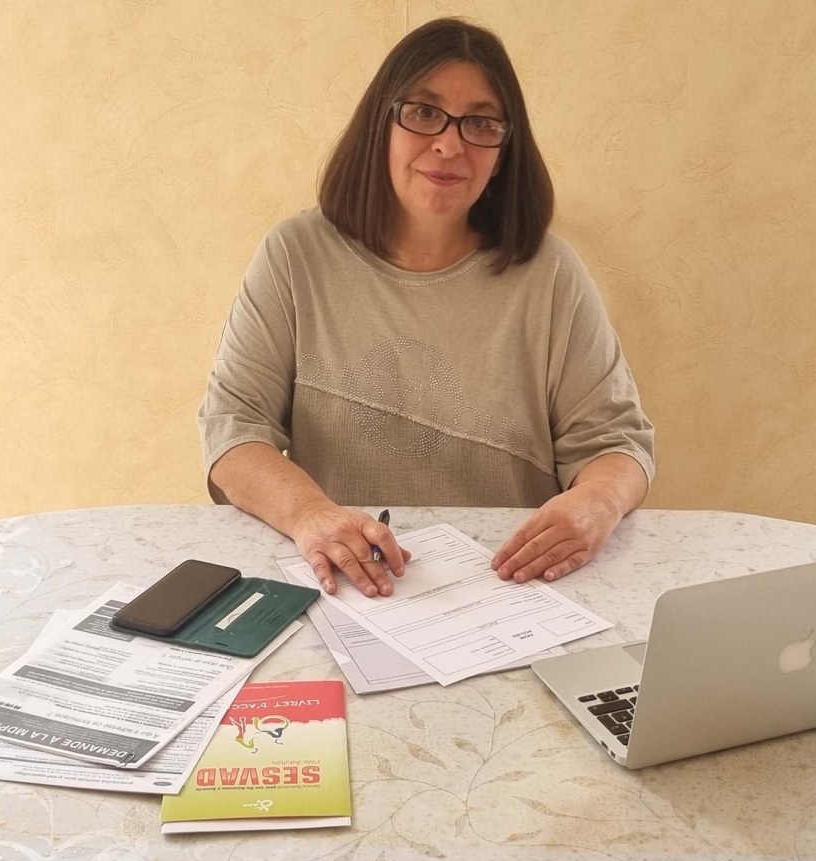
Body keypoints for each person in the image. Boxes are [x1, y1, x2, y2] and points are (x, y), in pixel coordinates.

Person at [198, 17, 654, 598]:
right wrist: (311, 514)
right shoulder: (295, 255)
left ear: (503, 153)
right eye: (423, 112)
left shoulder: (552, 274)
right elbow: (232, 428)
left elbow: (616, 443)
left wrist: (597, 504)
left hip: (511, 587)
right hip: (344, 583)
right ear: (380, 126)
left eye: (481, 123)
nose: (449, 144)